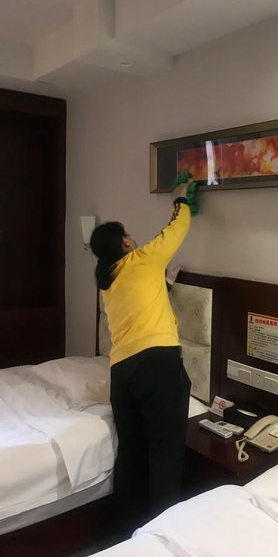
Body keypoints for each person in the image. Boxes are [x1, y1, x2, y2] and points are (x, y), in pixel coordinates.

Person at [89, 182, 192, 537]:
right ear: (125, 243)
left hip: (122, 373)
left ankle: (126, 533)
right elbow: (177, 228)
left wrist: (164, 283)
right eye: (127, 234)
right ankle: (161, 537)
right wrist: (181, 199)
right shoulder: (144, 260)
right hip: (157, 366)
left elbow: (142, 296)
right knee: (165, 452)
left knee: (132, 452)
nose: (132, 237)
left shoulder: (108, 281)